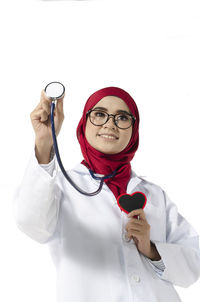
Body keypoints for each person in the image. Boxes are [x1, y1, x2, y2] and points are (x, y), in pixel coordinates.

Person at [13, 86, 200, 302]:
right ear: (84, 123)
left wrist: (151, 249)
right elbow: (30, 223)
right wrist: (44, 143)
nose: (110, 123)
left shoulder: (154, 195)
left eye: (122, 117)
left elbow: (194, 261)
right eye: (100, 114)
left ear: (134, 129)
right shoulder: (61, 186)